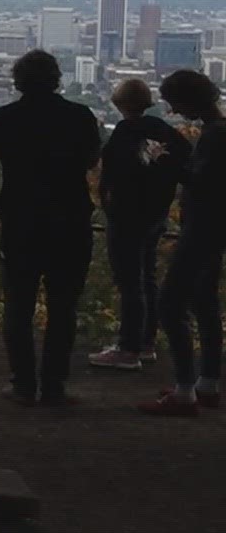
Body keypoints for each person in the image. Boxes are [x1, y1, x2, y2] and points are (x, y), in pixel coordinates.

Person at [0, 50, 103, 406]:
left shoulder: (4, 118)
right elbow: (93, 160)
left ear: (18, 80)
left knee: (18, 305)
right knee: (64, 307)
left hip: (22, 223)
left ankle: (23, 383)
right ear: (56, 78)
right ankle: (54, 385)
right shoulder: (80, 116)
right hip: (71, 223)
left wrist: (2, 209)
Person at [139, 70, 226, 417]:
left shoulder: (215, 136)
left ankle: (185, 389)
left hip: (201, 227)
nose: (173, 111)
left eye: (175, 103)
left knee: (170, 302)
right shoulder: (219, 130)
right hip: (215, 227)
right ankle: (207, 382)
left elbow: (199, 181)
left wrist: (166, 161)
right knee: (204, 302)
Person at [90, 79, 187, 371]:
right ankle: (146, 343)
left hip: (126, 216)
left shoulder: (123, 132)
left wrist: (108, 206)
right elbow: (184, 165)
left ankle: (128, 347)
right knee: (147, 277)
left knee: (129, 281)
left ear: (119, 104)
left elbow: (109, 174)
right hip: (155, 214)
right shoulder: (166, 132)